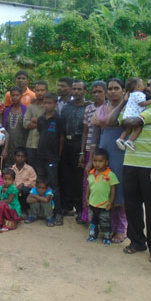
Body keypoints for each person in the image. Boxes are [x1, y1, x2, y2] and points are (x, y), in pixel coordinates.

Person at [107, 74, 151, 262]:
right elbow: (115, 121)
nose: (149, 89)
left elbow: (132, 122)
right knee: (132, 205)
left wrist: (129, 114)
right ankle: (136, 241)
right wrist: (125, 102)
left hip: (150, 165)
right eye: (148, 85)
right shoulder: (136, 103)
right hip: (130, 161)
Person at [88, 79, 128, 243]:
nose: (112, 91)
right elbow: (94, 136)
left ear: (123, 90)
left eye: (116, 88)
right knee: (103, 187)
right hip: (103, 152)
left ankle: (121, 229)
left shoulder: (129, 109)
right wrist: (92, 158)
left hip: (122, 153)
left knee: (119, 189)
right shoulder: (101, 110)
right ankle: (107, 228)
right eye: (110, 89)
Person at [59, 80, 88, 222]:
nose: (76, 92)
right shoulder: (66, 108)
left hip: (79, 143)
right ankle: (67, 206)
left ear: (84, 91)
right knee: (66, 175)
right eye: (74, 89)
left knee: (78, 177)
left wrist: (82, 151)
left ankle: (80, 209)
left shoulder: (87, 108)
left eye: (79, 89)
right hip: (66, 143)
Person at [79, 80, 107, 223]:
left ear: (105, 93)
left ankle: (103, 218)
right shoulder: (89, 108)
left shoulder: (110, 108)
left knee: (103, 184)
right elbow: (85, 132)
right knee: (88, 183)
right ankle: (87, 216)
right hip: (90, 150)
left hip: (106, 151)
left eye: (99, 92)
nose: (96, 94)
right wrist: (83, 152)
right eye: (94, 92)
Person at [36, 93, 65, 225]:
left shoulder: (59, 119)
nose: (47, 105)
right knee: (41, 183)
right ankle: (43, 211)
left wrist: (57, 156)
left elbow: (61, 138)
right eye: (45, 103)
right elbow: (40, 134)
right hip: (40, 155)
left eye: (50, 103)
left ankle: (58, 212)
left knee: (54, 185)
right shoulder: (41, 119)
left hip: (52, 157)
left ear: (55, 104)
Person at [116, 77, 151, 152]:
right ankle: (130, 141)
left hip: (126, 116)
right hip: (133, 117)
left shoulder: (131, 95)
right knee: (138, 129)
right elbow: (142, 103)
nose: (145, 87)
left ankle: (121, 138)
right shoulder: (140, 94)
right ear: (138, 87)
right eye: (143, 85)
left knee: (128, 130)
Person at [85, 148, 118, 246]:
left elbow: (113, 190)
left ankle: (106, 237)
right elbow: (88, 187)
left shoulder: (110, 175)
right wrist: (87, 199)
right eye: (95, 161)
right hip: (92, 204)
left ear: (106, 162)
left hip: (104, 205)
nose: (97, 164)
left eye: (100, 161)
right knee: (92, 222)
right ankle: (92, 235)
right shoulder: (91, 174)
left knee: (105, 223)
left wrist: (111, 203)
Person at [23, 80, 48, 172]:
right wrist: (41, 123)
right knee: (32, 171)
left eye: (42, 90)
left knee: (43, 171)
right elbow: (25, 123)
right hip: (31, 144)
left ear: (47, 91)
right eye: (37, 90)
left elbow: (49, 123)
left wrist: (34, 120)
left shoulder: (50, 106)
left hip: (45, 144)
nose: (40, 92)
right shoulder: (31, 106)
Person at [3, 86, 28, 168]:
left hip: (22, 143)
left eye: (17, 95)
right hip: (8, 144)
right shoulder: (6, 111)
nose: (15, 97)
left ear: (21, 96)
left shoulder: (26, 110)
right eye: (13, 95)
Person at [11, 147, 37, 216]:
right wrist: (16, 188)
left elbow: (33, 182)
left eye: (22, 156)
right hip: (14, 191)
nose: (20, 158)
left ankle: (24, 210)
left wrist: (22, 184)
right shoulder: (11, 169)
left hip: (24, 193)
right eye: (18, 156)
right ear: (14, 157)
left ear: (26, 158)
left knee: (25, 190)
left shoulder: (29, 169)